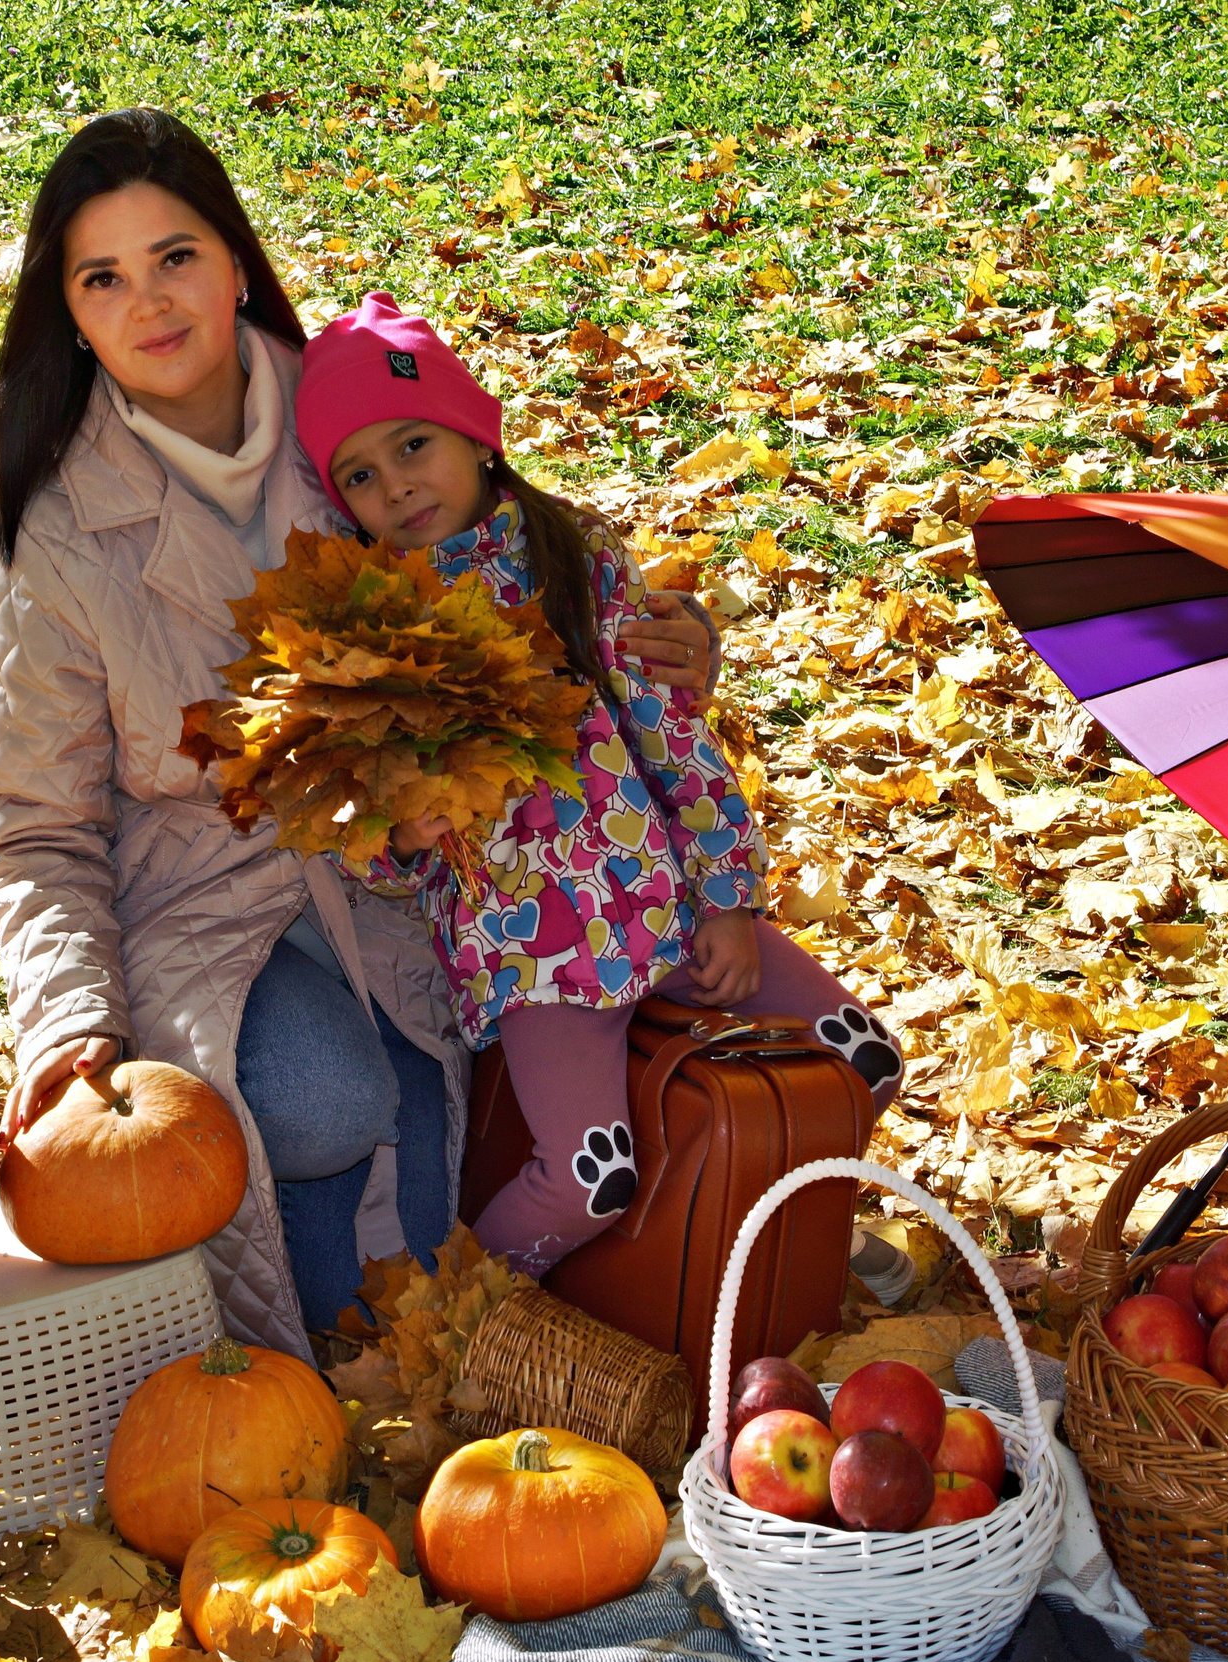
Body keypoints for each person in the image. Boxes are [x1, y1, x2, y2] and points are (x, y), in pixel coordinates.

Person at [0, 110, 724, 1353]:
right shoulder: (57, 531)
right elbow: (31, 821)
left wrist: (671, 634)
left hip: (416, 868)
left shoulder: (347, 426)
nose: (150, 304)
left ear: (234, 260)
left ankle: (427, 1378)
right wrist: (69, 1019)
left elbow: (523, 563)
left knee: (429, 1193)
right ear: (70, 310)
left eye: (176, 257)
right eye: (102, 278)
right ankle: (300, 1402)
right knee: (323, 1105)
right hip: (197, 902)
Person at [296, 292, 906, 1277]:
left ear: (473, 434)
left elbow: (674, 743)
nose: (397, 487)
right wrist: (399, 837)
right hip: (533, 954)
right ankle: (474, 1307)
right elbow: (368, 834)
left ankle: (806, 1230)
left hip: (661, 910)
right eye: (359, 475)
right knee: (591, 1173)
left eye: (414, 445)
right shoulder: (378, 628)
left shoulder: (572, 560)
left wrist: (726, 902)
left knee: (862, 1059)